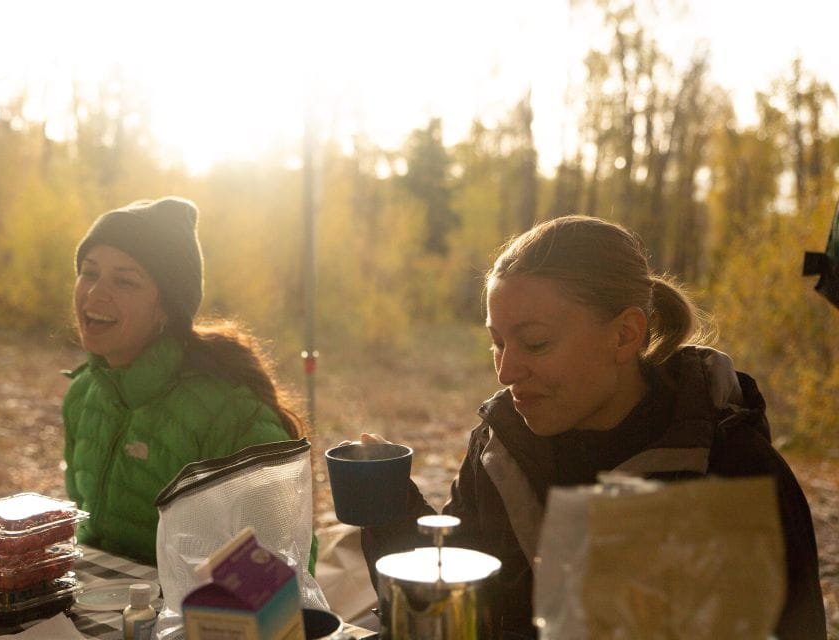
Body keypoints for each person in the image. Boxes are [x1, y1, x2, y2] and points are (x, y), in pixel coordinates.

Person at [359, 215, 826, 639]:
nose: (506, 371)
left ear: (625, 334)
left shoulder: (732, 471)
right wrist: (391, 507)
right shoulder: (501, 444)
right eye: (497, 343)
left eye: (535, 342)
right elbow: (453, 591)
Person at [62, 196, 307, 566]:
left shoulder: (228, 414)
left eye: (125, 281)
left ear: (165, 309)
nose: (96, 293)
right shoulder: (83, 394)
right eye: (89, 272)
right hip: (96, 608)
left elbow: (288, 563)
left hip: (198, 618)